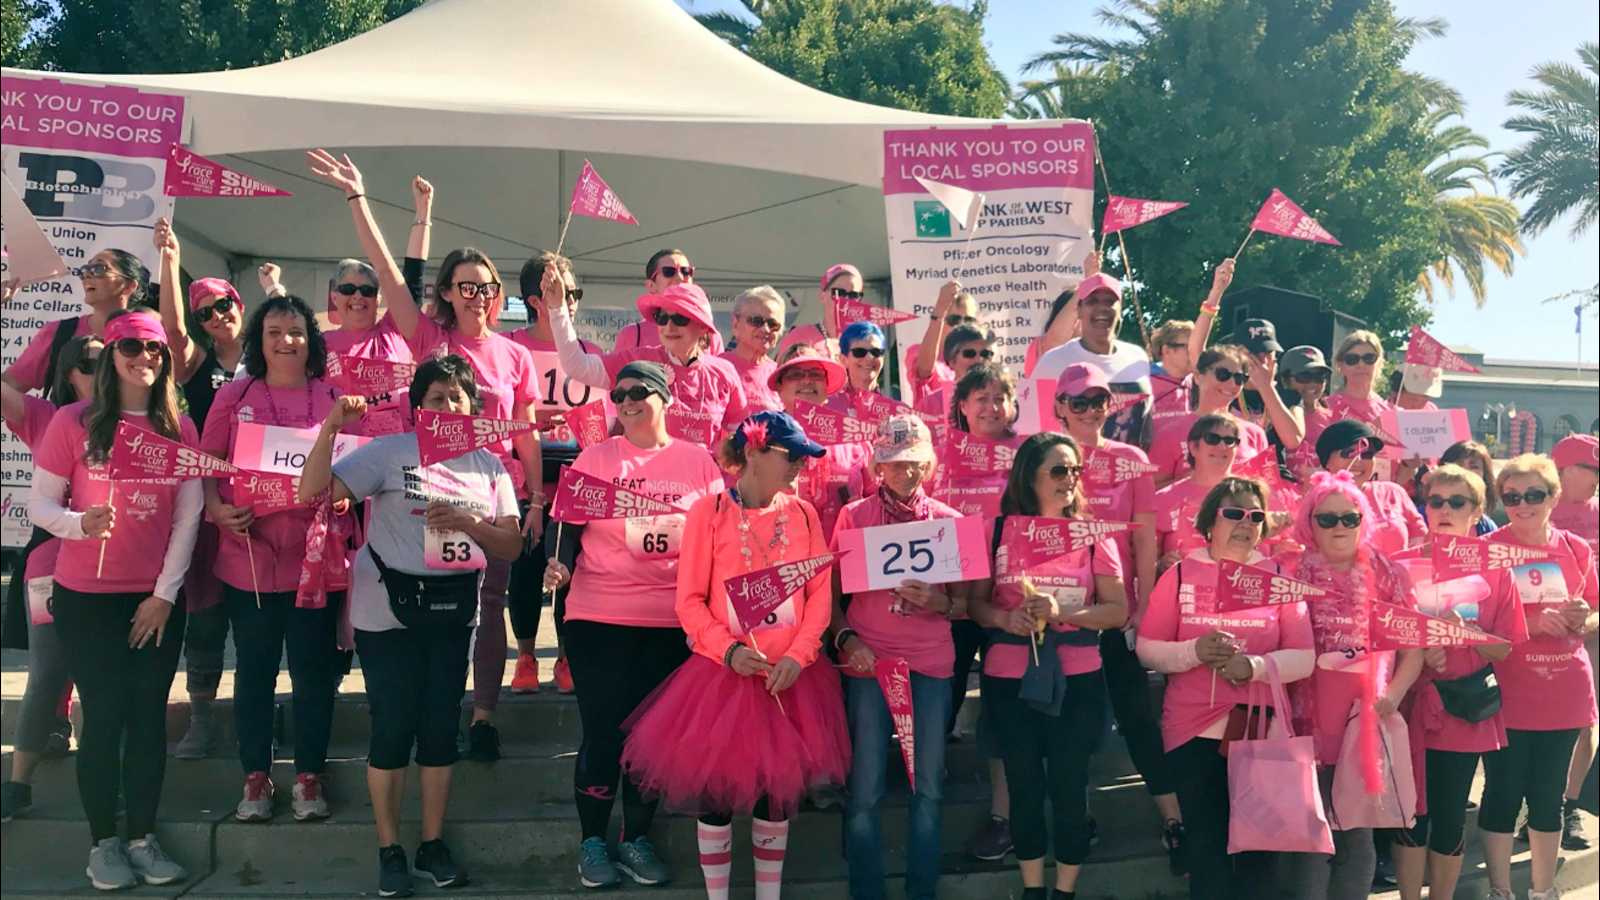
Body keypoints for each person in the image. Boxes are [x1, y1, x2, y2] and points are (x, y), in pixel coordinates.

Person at [310, 149, 543, 759]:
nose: (478, 295)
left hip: (493, 489)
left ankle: (483, 716)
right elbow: (388, 273)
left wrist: (536, 496)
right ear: (446, 291)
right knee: (426, 604)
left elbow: (525, 432)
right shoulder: (429, 337)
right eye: (465, 285)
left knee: (490, 606)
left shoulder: (515, 353)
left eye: (487, 287)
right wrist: (358, 198)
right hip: (424, 492)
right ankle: (410, 712)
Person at [299, 356, 522, 898]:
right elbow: (316, 493)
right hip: (387, 614)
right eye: (436, 397)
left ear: (474, 408)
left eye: (457, 397)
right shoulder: (391, 451)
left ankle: (432, 843)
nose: (446, 406)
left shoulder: (489, 464)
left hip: (452, 612)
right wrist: (331, 428)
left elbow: (512, 545)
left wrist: (469, 522)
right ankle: (389, 848)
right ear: (417, 406)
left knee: (441, 729)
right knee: (393, 727)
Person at [620, 411, 850, 900]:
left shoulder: (805, 513)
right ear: (753, 452)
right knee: (716, 797)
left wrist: (800, 656)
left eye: (805, 458)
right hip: (723, 679)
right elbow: (689, 601)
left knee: (777, 798)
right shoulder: (709, 512)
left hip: (790, 677)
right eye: (791, 457)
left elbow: (818, 599)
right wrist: (726, 651)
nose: (800, 467)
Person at [27, 309, 200, 890]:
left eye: (155, 350)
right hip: (86, 598)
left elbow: (188, 516)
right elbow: (41, 508)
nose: (144, 358)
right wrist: (79, 524)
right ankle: (103, 843)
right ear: (111, 354)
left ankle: (142, 838)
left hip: (154, 600)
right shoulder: (74, 422)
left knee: (148, 718)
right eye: (131, 346)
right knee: (103, 718)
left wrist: (163, 596)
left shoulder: (180, 426)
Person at [541, 361, 725, 889]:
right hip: (600, 616)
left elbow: (714, 538)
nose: (625, 400)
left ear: (665, 398)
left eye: (638, 391)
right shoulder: (596, 458)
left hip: (673, 621)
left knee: (652, 739)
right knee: (604, 732)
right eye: (618, 393)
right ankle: (593, 842)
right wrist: (561, 565)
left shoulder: (697, 462)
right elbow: (567, 530)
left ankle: (637, 839)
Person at [197, 294, 347, 822]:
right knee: (255, 670)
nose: (287, 341)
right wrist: (217, 508)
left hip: (314, 561)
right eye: (275, 332)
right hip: (250, 562)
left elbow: (355, 468)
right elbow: (207, 466)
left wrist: (346, 495)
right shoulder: (234, 396)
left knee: (313, 672)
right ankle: (255, 776)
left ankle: (309, 776)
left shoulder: (335, 396)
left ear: (313, 340)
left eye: (298, 331)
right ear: (258, 341)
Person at [967, 432, 1130, 900]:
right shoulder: (995, 530)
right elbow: (975, 606)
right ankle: (1033, 890)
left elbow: (1117, 611)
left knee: (1069, 788)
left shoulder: (1092, 534)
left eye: (1075, 470)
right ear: (1029, 476)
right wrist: (1004, 617)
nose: (1069, 479)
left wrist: (1063, 613)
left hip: (1077, 676)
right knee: (1023, 786)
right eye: (1058, 470)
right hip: (1008, 677)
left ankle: (1066, 891)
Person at [1137, 476, 1316, 900]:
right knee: (1206, 847)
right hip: (1191, 730)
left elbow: (1304, 657)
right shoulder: (1179, 574)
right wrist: (1194, 652)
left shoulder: (1277, 577)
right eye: (1234, 513)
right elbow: (1147, 650)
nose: (1246, 522)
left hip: (1259, 728)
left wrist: (1252, 666)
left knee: (1260, 853)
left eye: (1256, 515)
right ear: (1209, 522)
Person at [831, 414, 968, 900]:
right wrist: (849, 641)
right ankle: (866, 891)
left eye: (913, 463)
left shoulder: (949, 523)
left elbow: (970, 604)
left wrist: (943, 604)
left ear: (928, 465)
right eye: (893, 464)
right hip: (869, 664)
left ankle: (921, 891)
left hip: (931, 664)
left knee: (927, 786)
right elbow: (829, 599)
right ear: (876, 468)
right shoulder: (854, 517)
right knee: (864, 787)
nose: (904, 473)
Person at [1052, 363, 1182, 871]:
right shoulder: (1046, 454)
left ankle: (1174, 821)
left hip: (1117, 612)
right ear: (1061, 405)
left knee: (1137, 716)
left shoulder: (1131, 458)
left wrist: (1145, 606)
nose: (1090, 410)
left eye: (1099, 401)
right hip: (1065, 612)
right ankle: (1075, 818)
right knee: (1073, 723)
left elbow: (1145, 537)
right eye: (1079, 401)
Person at [1389, 465, 1525, 900]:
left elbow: (1504, 648)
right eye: (1435, 501)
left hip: (1462, 710)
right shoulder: (1400, 565)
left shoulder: (1495, 569)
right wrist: (1417, 642)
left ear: (1477, 511)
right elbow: (1380, 637)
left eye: (1457, 502)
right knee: (1409, 815)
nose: (1444, 510)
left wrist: (1461, 635)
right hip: (1408, 706)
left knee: (1449, 814)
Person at [1286, 471, 1424, 900]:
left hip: (1363, 722)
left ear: (1364, 521)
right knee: (1312, 839)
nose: (1340, 527)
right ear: (1309, 523)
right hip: (1302, 720)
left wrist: (1394, 695)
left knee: (1357, 840)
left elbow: (1413, 644)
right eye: (1327, 520)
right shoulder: (1289, 572)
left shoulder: (1389, 574)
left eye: (1350, 517)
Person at [1481, 454, 1598, 900]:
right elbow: (1471, 622)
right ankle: (1498, 890)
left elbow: (1593, 610)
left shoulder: (1575, 548)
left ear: (1553, 498)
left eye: (1533, 495)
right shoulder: (1489, 550)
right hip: (1506, 692)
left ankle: (1543, 890)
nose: (1522, 505)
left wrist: (1581, 619)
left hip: (1565, 690)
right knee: (1503, 792)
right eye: (1512, 497)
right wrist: (1528, 627)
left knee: (1549, 797)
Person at [151, 219, 245, 760]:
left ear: (238, 303)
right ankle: (203, 720)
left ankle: (261, 714)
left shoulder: (268, 349)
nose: (215, 316)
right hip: (211, 498)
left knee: (262, 616)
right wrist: (171, 257)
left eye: (222, 304)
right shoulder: (195, 364)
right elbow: (170, 330)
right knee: (206, 614)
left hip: (264, 499)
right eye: (204, 310)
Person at [0, 334, 99, 823]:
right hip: (52, 563)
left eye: (108, 360)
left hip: (121, 565)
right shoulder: (44, 417)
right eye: (86, 363)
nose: (98, 370)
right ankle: (17, 785)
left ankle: (109, 787)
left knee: (109, 681)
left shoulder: (147, 419)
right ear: (65, 373)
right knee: (45, 675)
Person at [505, 252, 604, 696]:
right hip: (524, 482)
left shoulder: (591, 354)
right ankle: (525, 657)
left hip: (576, 484)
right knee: (525, 571)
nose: (572, 302)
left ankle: (566, 655)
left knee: (571, 570)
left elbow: (606, 424)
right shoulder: (510, 347)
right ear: (535, 299)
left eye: (576, 293)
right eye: (562, 294)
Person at [544, 271, 748, 457]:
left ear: (703, 328)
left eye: (680, 318)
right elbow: (577, 366)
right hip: (646, 486)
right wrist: (557, 308)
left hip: (702, 487)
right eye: (662, 317)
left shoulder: (724, 371)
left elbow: (738, 437)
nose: (669, 326)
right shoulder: (639, 361)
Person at [3, 248, 149, 394]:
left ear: (129, 286)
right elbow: (8, 388)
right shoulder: (59, 333)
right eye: (85, 269)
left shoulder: (149, 337)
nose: (86, 275)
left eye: (98, 268)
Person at [1030, 272, 1152, 446]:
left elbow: (1147, 422)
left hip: (1133, 468)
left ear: (1120, 309)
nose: (1102, 307)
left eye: (1110, 301)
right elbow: (1037, 431)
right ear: (1078, 310)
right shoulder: (1053, 361)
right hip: (1074, 470)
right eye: (1092, 301)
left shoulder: (1137, 357)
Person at [1550, 432, 1599, 852]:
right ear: (1564, 471)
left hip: (1592, 635)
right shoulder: (1534, 506)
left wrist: (1591, 622)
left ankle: (1570, 807)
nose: (1599, 477)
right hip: (1534, 635)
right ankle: (1533, 802)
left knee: (1584, 724)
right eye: (1592, 469)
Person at [771, 345, 868, 538]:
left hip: (844, 558)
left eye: (815, 374)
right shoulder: (762, 439)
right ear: (780, 387)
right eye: (795, 374)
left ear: (827, 386)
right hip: (783, 561)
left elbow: (877, 503)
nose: (807, 380)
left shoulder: (854, 439)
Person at [1147, 344, 1272, 486]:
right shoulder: (1169, 434)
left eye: (1239, 378)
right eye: (1222, 375)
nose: (1232, 384)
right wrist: (1194, 479)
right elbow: (1151, 493)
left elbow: (1266, 489)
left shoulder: (1255, 434)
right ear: (1198, 377)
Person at [1315, 419, 1426, 557]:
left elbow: (1422, 542)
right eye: (1347, 453)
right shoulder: (1314, 501)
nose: (1358, 460)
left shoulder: (1393, 492)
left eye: (1367, 454)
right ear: (1327, 461)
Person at [610, 248, 725, 355]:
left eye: (686, 271)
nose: (680, 277)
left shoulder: (710, 335)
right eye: (669, 272)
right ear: (651, 286)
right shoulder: (633, 335)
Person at [1022, 250, 1105, 374]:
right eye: (1078, 312)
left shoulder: (1098, 354)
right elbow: (1055, 343)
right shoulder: (1041, 348)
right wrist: (1088, 283)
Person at [907, 280, 980, 405]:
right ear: (941, 322)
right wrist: (940, 310)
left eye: (969, 320)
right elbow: (924, 371)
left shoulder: (979, 357)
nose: (961, 326)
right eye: (954, 320)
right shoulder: (919, 352)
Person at [722, 285, 786, 412]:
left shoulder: (781, 376)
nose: (765, 329)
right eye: (756, 321)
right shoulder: (717, 369)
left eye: (773, 324)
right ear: (735, 324)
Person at [914, 322, 996, 419]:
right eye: (969, 353)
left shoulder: (1006, 401)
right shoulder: (929, 405)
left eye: (986, 354)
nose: (978, 360)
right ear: (951, 360)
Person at [1281, 345, 1335, 484]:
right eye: (1304, 376)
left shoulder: (1334, 419)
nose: (1312, 384)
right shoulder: (1272, 415)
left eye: (1319, 377)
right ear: (1285, 380)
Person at [778, 263, 859, 356]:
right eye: (839, 293)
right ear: (822, 296)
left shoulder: (865, 341)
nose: (846, 300)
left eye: (853, 295)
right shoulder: (799, 336)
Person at [1326, 331, 1394, 430]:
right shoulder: (1328, 407)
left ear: (1379, 363)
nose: (1361, 365)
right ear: (1340, 365)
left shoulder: (1390, 413)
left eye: (1369, 358)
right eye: (1352, 359)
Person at [826, 321, 894, 418]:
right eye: (859, 352)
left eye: (876, 352)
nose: (869, 358)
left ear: (883, 359)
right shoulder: (827, 407)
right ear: (843, 360)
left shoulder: (893, 412)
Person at [1435, 440, 1500, 535]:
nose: (1465, 471)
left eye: (1474, 466)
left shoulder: (1486, 527)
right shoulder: (1422, 517)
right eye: (1459, 465)